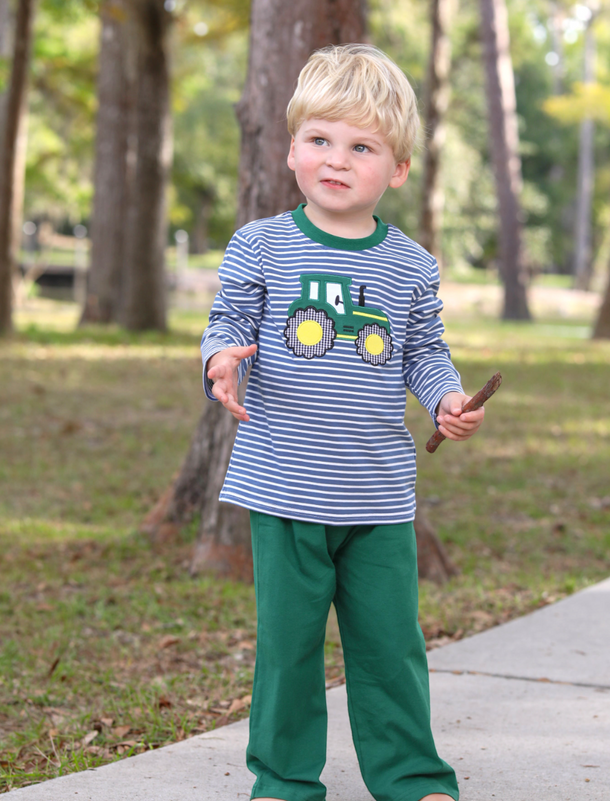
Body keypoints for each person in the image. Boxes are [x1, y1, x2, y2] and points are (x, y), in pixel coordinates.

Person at [201, 44, 484, 801]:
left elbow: (424, 352)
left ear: (395, 169)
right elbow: (226, 322)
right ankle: (286, 782)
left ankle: (413, 778)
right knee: (288, 652)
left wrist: (447, 399)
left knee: (391, 650)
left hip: (378, 497)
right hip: (285, 490)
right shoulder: (259, 245)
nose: (336, 160)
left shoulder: (410, 265)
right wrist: (221, 360)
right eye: (321, 140)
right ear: (292, 148)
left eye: (362, 147)